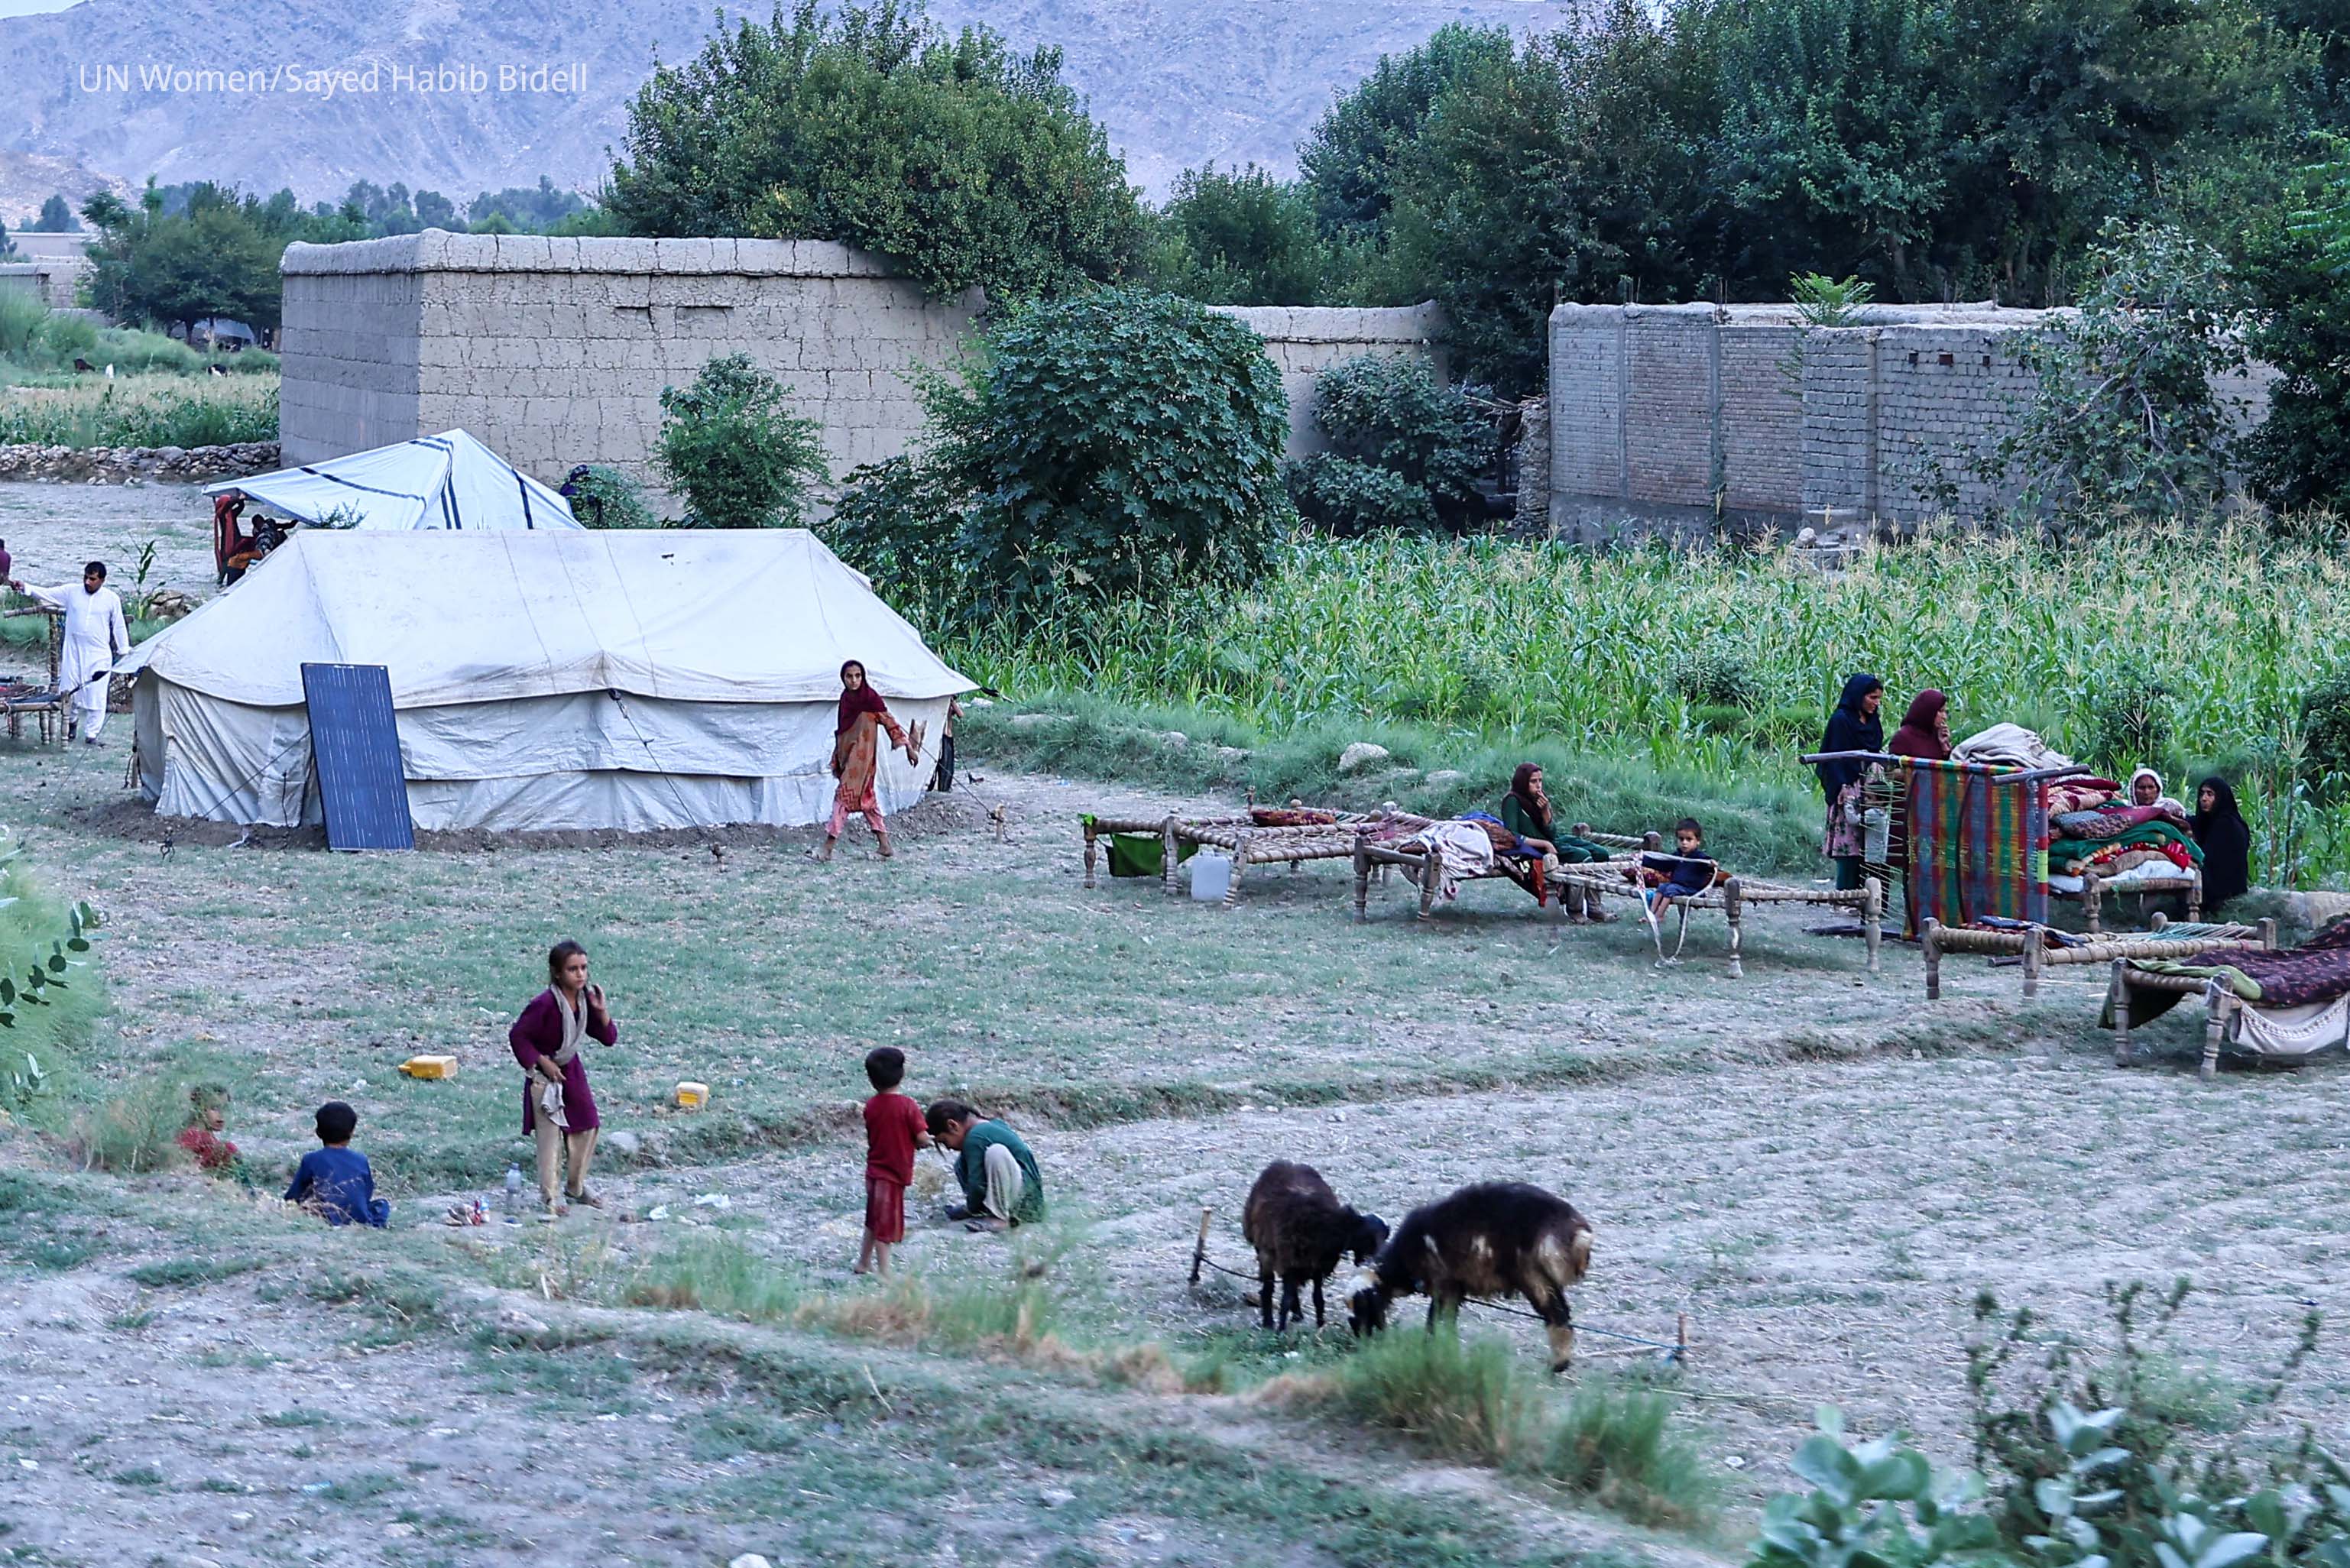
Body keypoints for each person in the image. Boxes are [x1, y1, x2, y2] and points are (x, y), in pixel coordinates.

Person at [507, 940, 617, 1219]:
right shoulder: (544, 1004)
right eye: (573, 969)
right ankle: (550, 1196)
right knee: (549, 1138)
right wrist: (542, 1061)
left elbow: (608, 1038)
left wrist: (601, 1011)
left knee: (588, 1123)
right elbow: (518, 1036)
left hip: (570, 1069)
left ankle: (575, 1186)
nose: (580, 975)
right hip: (544, 1075)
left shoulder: (584, 1001)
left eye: (583, 968)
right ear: (558, 973)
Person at [14, 561, 128, 746]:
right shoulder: (72, 592)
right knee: (70, 690)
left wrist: (125, 651)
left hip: (98, 654)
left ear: (102, 580)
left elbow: (119, 626)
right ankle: (72, 724)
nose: (87, 582)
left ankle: (92, 735)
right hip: (73, 651)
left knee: (97, 694)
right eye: (85, 577)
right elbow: (48, 593)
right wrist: (25, 587)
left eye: (92, 579)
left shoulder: (111, 599)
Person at [818, 659, 918, 862]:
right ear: (843, 678)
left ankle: (827, 848)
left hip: (863, 763)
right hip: (849, 758)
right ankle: (885, 846)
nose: (854, 681)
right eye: (849, 677)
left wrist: (908, 747)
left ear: (863, 677)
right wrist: (839, 757)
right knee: (868, 802)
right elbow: (843, 732)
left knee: (842, 799)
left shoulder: (871, 699)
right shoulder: (845, 699)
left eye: (858, 676)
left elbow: (891, 723)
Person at [1499, 763, 1614, 922]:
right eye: (1533, 781)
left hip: (1553, 839)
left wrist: (1546, 810)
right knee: (1582, 856)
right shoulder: (1512, 801)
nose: (1538, 785)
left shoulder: (1539, 799)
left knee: (1601, 853)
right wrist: (1544, 844)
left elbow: (1551, 832)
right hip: (1535, 846)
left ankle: (1595, 907)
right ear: (1523, 782)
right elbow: (1512, 835)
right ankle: (1576, 910)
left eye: (1540, 780)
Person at [857, 1046, 931, 1277]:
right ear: (902, 1073)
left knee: (873, 1219)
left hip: (874, 1171)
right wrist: (931, 1139)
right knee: (885, 1226)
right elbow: (921, 1139)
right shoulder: (908, 1106)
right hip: (893, 1174)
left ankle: (864, 1262)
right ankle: (885, 1273)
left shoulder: (871, 1105)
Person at [925, 1100, 1045, 1233]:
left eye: (944, 1141)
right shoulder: (985, 1127)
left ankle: (999, 1218)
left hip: (1027, 1203)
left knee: (996, 1152)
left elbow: (977, 1184)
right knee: (961, 1163)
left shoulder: (976, 1137)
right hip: (1020, 1193)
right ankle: (989, 1211)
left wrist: (971, 1208)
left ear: (953, 1125)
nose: (947, 1147)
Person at [1817, 673, 1885, 890]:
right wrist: (1842, 788)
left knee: (1871, 843)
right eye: (1872, 698)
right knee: (1848, 843)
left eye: (1879, 699)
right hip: (1848, 788)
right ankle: (1845, 893)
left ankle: (1867, 894)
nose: (1876, 703)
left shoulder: (1872, 720)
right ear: (1859, 696)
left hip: (1871, 788)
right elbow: (1834, 757)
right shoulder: (1841, 721)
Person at [284, 1101, 391, 1228]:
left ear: (318, 1132)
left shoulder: (311, 1159)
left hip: (327, 1217)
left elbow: (294, 1195)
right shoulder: (361, 1159)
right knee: (381, 1205)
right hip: (360, 1218)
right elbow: (366, 1194)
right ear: (351, 1133)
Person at [2190, 776, 2252, 909]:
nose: (2204, 799)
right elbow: (2194, 823)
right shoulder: (2211, 822)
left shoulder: (2227, 824)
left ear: (2221, 797)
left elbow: (2210, 860)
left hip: (2225, 893)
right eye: (2202, 794)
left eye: (2210, 794)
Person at [1639, 818, 1716, 905]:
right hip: (1677, 887)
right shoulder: (1677, 856)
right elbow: (1662, 864)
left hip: (1693, 890)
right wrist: (1643, 859)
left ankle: (1659, 916)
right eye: (1681, 839)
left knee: (1671, 889)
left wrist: (1711, 864)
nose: (1684, 843)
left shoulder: (1700, 858)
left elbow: (1708, 865)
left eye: (1689, 839)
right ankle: (1652, 914)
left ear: (1698, 841)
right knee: (1662, 887)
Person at [930, 696, 964, 793]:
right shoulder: (939, 706)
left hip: (947, 737)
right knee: (940, 763)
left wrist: (951, 702)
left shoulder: (949, 706)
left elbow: (960, 714)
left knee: (947, 765)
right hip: (941, 737)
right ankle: (935, 786)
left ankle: (944, 787)